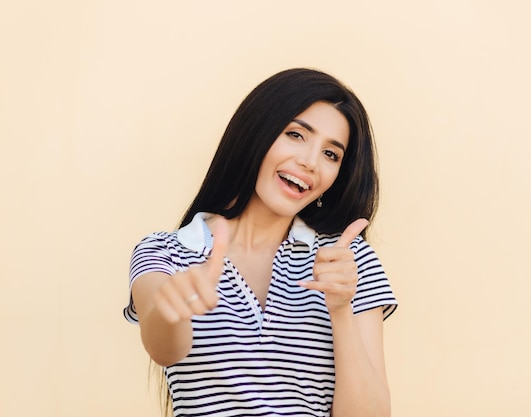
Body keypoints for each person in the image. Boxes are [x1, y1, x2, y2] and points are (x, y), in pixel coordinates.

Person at [123, 68, 398, 417]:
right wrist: (169, 311)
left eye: (331, 154)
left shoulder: (347, 260)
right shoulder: (165, 252)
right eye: (296, 135)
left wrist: (341, 310)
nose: (310, 162)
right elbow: (163, 348)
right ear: (256, 133)